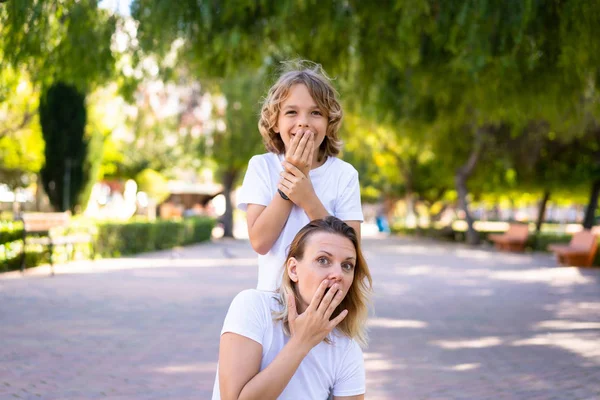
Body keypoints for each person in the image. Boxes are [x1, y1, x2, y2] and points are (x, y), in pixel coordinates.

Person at [212, 216, 373, 399]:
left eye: (347, 265)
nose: (337, 274)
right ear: (294, 270)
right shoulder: (253, 307)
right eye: (323, 260)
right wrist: (301, 343)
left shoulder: (346, 348)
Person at [237, 60, 363, 291]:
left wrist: (308, 198)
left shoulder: (344, 175)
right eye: (291, 112)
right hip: (273, 299)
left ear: (329, 123)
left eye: (316, 113)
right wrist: (290, 182)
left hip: (326, 300)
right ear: (275, 123)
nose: (303, 122)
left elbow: (351, 249)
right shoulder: (261, 166)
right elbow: (260, 242)